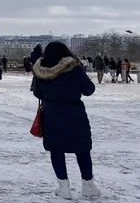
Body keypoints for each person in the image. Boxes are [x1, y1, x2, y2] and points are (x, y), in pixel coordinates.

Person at [32, 41, 101, 199]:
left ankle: (64, 187)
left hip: (51, 114)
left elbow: (37, 93)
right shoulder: (74, 68)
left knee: (56, 150)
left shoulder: (40, 71)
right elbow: (89, 90)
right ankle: (88, 185)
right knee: (82, 149)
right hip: (74, 114)